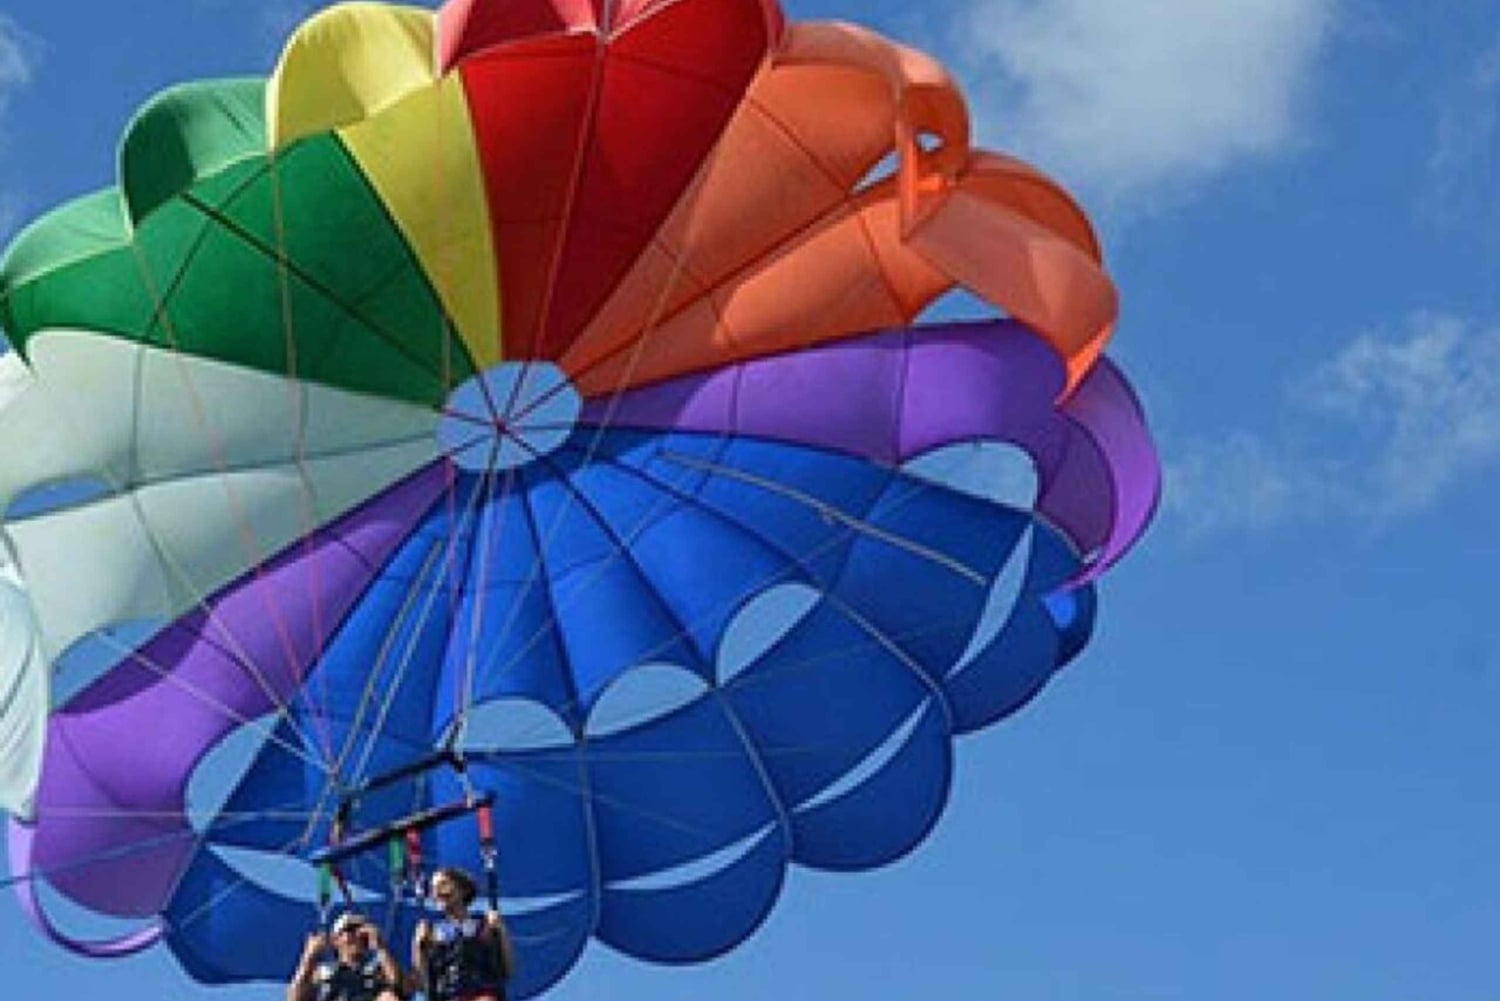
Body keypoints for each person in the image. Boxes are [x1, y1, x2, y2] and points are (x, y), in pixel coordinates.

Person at [411, 867, 515, 1001]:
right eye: (433, 888)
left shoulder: (485, 926)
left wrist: (501, 932)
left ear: (462, 890)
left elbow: (507, 970)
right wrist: (418, 947)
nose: (437, 892)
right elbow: (422, 982)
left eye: (443, 884)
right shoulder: (430, 931)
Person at [287, 911, 406, 1001]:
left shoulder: (377, 971)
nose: (357, 936)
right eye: (350, 930)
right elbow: (295, 998)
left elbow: (399, 988)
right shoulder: (324, 971)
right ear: (336, 940)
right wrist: (309, 957)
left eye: (361, 932)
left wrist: (380, 947)